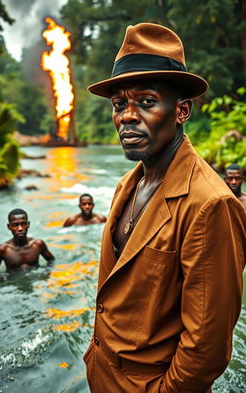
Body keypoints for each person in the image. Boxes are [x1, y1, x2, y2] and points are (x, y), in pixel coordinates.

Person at [83, 23, 246, 393]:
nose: (126, 116)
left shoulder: (210, 205)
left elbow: (207, 347)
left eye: (145, 101)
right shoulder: (129, 184)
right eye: (119, 104)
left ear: (182, 110)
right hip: (102, 375)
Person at [0, 208, 54, 272]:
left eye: (23, 224)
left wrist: (47, 272)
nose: (20, 228)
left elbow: (51, 260)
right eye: (15, 225)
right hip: (13, 281)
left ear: (28, 224)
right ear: (9, 227)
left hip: (36, 280)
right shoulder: (3, 249)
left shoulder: (38, 244)